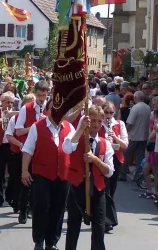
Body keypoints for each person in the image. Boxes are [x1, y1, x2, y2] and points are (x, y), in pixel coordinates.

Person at [21, 100, 75, 250]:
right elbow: (28, 150)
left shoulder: (69, 127)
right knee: (41, 206)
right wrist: (24, 171)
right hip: (42, 174)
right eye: (53, 108)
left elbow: (73, 148)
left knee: (58, 209)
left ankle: (52, 242)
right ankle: (39, 240)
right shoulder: (37, 127)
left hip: (63, 175)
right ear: (47, 110)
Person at [63, 106, 115, 250]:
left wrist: (95, 160)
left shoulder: (106, 143)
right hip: (77, 187)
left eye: (99, 121)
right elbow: (67, 148)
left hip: (97, 190)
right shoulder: (77, 136)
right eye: (93, 120)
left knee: (98, 229)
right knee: (73, 227)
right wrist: (80, 129)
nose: (96, 124)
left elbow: (109, 172)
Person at [15, 81, 49, 224]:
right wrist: (35, 127)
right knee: (26, 183)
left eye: (44, 95)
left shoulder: (51, 108)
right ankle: (23, 210)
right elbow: (18, 131)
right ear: (34, 93)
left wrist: (47, 121)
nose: (41, 99)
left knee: (41, 183)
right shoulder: (26, 108)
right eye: (39, 95)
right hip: (29, 149)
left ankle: (36, 210)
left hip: (45, 150)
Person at [6, 94, 35, 221]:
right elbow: (10, 135)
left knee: (31, 183)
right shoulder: (15, 118)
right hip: (18, 153)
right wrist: (20, 144)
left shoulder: (40, 117)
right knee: (18, 181)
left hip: (35, 154)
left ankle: (28, 208)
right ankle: (19, 205)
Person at [100, 101, 128, 232]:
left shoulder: (119, 124)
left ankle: (106, 216)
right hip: (101, 159)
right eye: (106, 112)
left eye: (111, 113)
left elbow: (125, 145)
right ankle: (106, 220)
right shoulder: (98, 123)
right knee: (104, 189)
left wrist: (115, 137)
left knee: (111, 189)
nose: (109, 115)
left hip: (116, 159)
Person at [120, 91, 151, 181]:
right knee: (140, 156)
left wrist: (124, 131)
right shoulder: (148, 108)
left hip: (133, 136)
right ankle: (138, 176)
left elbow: (130, 123)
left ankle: (123, 174)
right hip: (144, 136)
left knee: (125, 153)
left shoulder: (135, 108)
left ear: (136, 98)